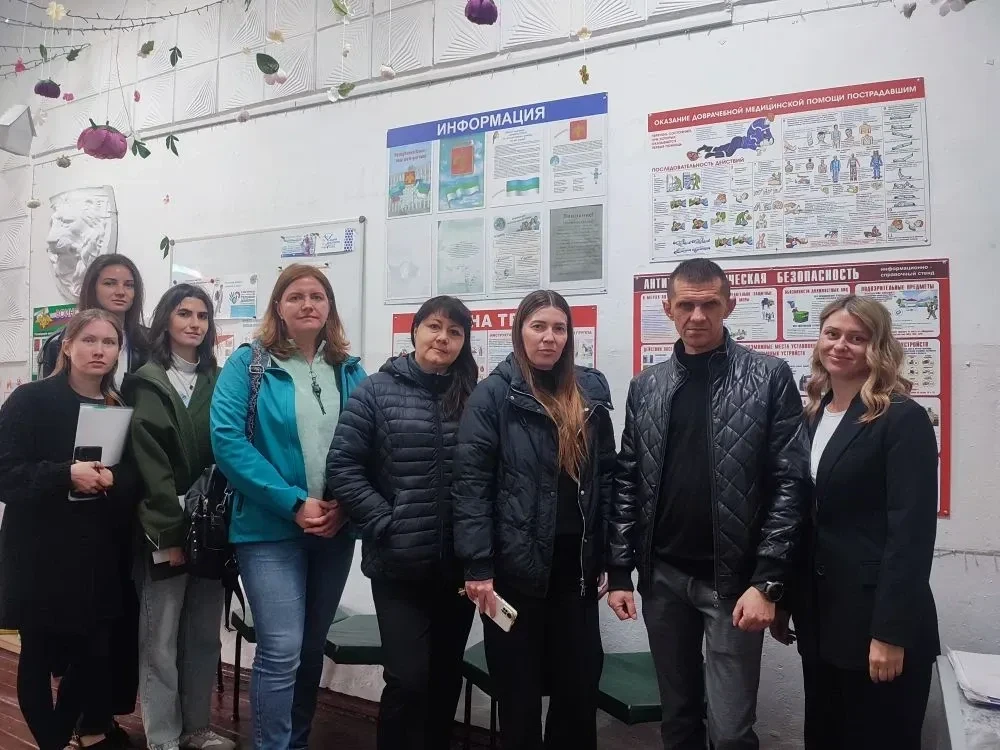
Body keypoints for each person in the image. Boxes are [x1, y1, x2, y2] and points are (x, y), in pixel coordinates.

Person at [607, 258, 810, 750]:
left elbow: (790, 484)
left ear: (729, 306)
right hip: (663, 580)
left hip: (734, 585)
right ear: (668, 309)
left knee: (730, 731)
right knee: (677, 719)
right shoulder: (647, 386)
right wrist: (620, 572)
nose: (697, 316)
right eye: (686, 305)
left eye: (709, 304)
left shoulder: (768, 377)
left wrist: (768, 581)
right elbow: (628, 480)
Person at [771, 295, 939, 750]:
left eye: (856, 338)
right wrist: (784, 599)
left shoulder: (901, 418)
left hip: (875, 628)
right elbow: (803, 519)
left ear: (877, 347)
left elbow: (911, 535)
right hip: (821, 622)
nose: (841, 345)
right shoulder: (812, 415)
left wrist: (890, 633)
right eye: (832, 334)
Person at [453, 289, 616, 750]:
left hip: (574, 571)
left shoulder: (589, 390)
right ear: (519, 331)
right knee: (518, 695)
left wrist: (608, 555)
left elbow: (607, 477)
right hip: (513, 573)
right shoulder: (492, 395)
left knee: (578, 688)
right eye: (538, 326)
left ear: (569, 335)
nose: (549, 337)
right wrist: (478, 566)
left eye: (559, 328)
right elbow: (471, 486)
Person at [210, 264, 366, 749]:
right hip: (267, 529)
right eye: (295, 296)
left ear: (329, 307)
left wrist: (344, 507)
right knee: (281, 648)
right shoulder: (248, 364)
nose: (307, 304)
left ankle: (295, 741)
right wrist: (294, 502)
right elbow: (228, 441)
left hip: (333, 530)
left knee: (312, 647)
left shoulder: (349, 369)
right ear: (278, 306)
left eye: (317, 296)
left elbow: (369, 445)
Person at [327, 296, 479, 750]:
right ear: (414, 332)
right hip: (398, 565)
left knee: (445, 675)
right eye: (434, 327)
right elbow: (343, 467)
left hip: (458, 567)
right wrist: (384, 520)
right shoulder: (375, 391)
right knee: (408, 679)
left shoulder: (474, 395)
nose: (443, 338)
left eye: (455, 332)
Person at [0, 310, 140, 750]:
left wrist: (114, 478)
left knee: (93, 652)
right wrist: (66, 474)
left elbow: (134, 473)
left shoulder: (116, 404)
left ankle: (61, 736)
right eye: (89, 340)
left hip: (97, 553)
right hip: (40, 551)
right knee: (38, 654)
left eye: (109, 343)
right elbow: (6, 473)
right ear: (67, 346)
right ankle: (52, 742)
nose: (99, 350)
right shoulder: (30, 400)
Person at [38, 253, 148, 748]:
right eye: (110, 282)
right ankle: (80, 722)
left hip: (120, 493)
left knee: (116, 616)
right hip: (67, 498)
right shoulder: (62, 347)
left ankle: (102, 716)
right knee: (74, 623)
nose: (120, 291)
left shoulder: (144, 345)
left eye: (129, 284)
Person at [123, 285, 234, 750]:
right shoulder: (144, 381)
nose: (194, 323)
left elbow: (230, 448)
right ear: (165, 319)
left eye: (202, 316)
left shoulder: (220, 379)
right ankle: (163, 736)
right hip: (162, 526)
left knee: (204, 635)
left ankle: (196, 727)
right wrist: (169, 532)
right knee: (161, 637)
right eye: (184, 313)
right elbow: (148, 463)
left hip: (212, 529)